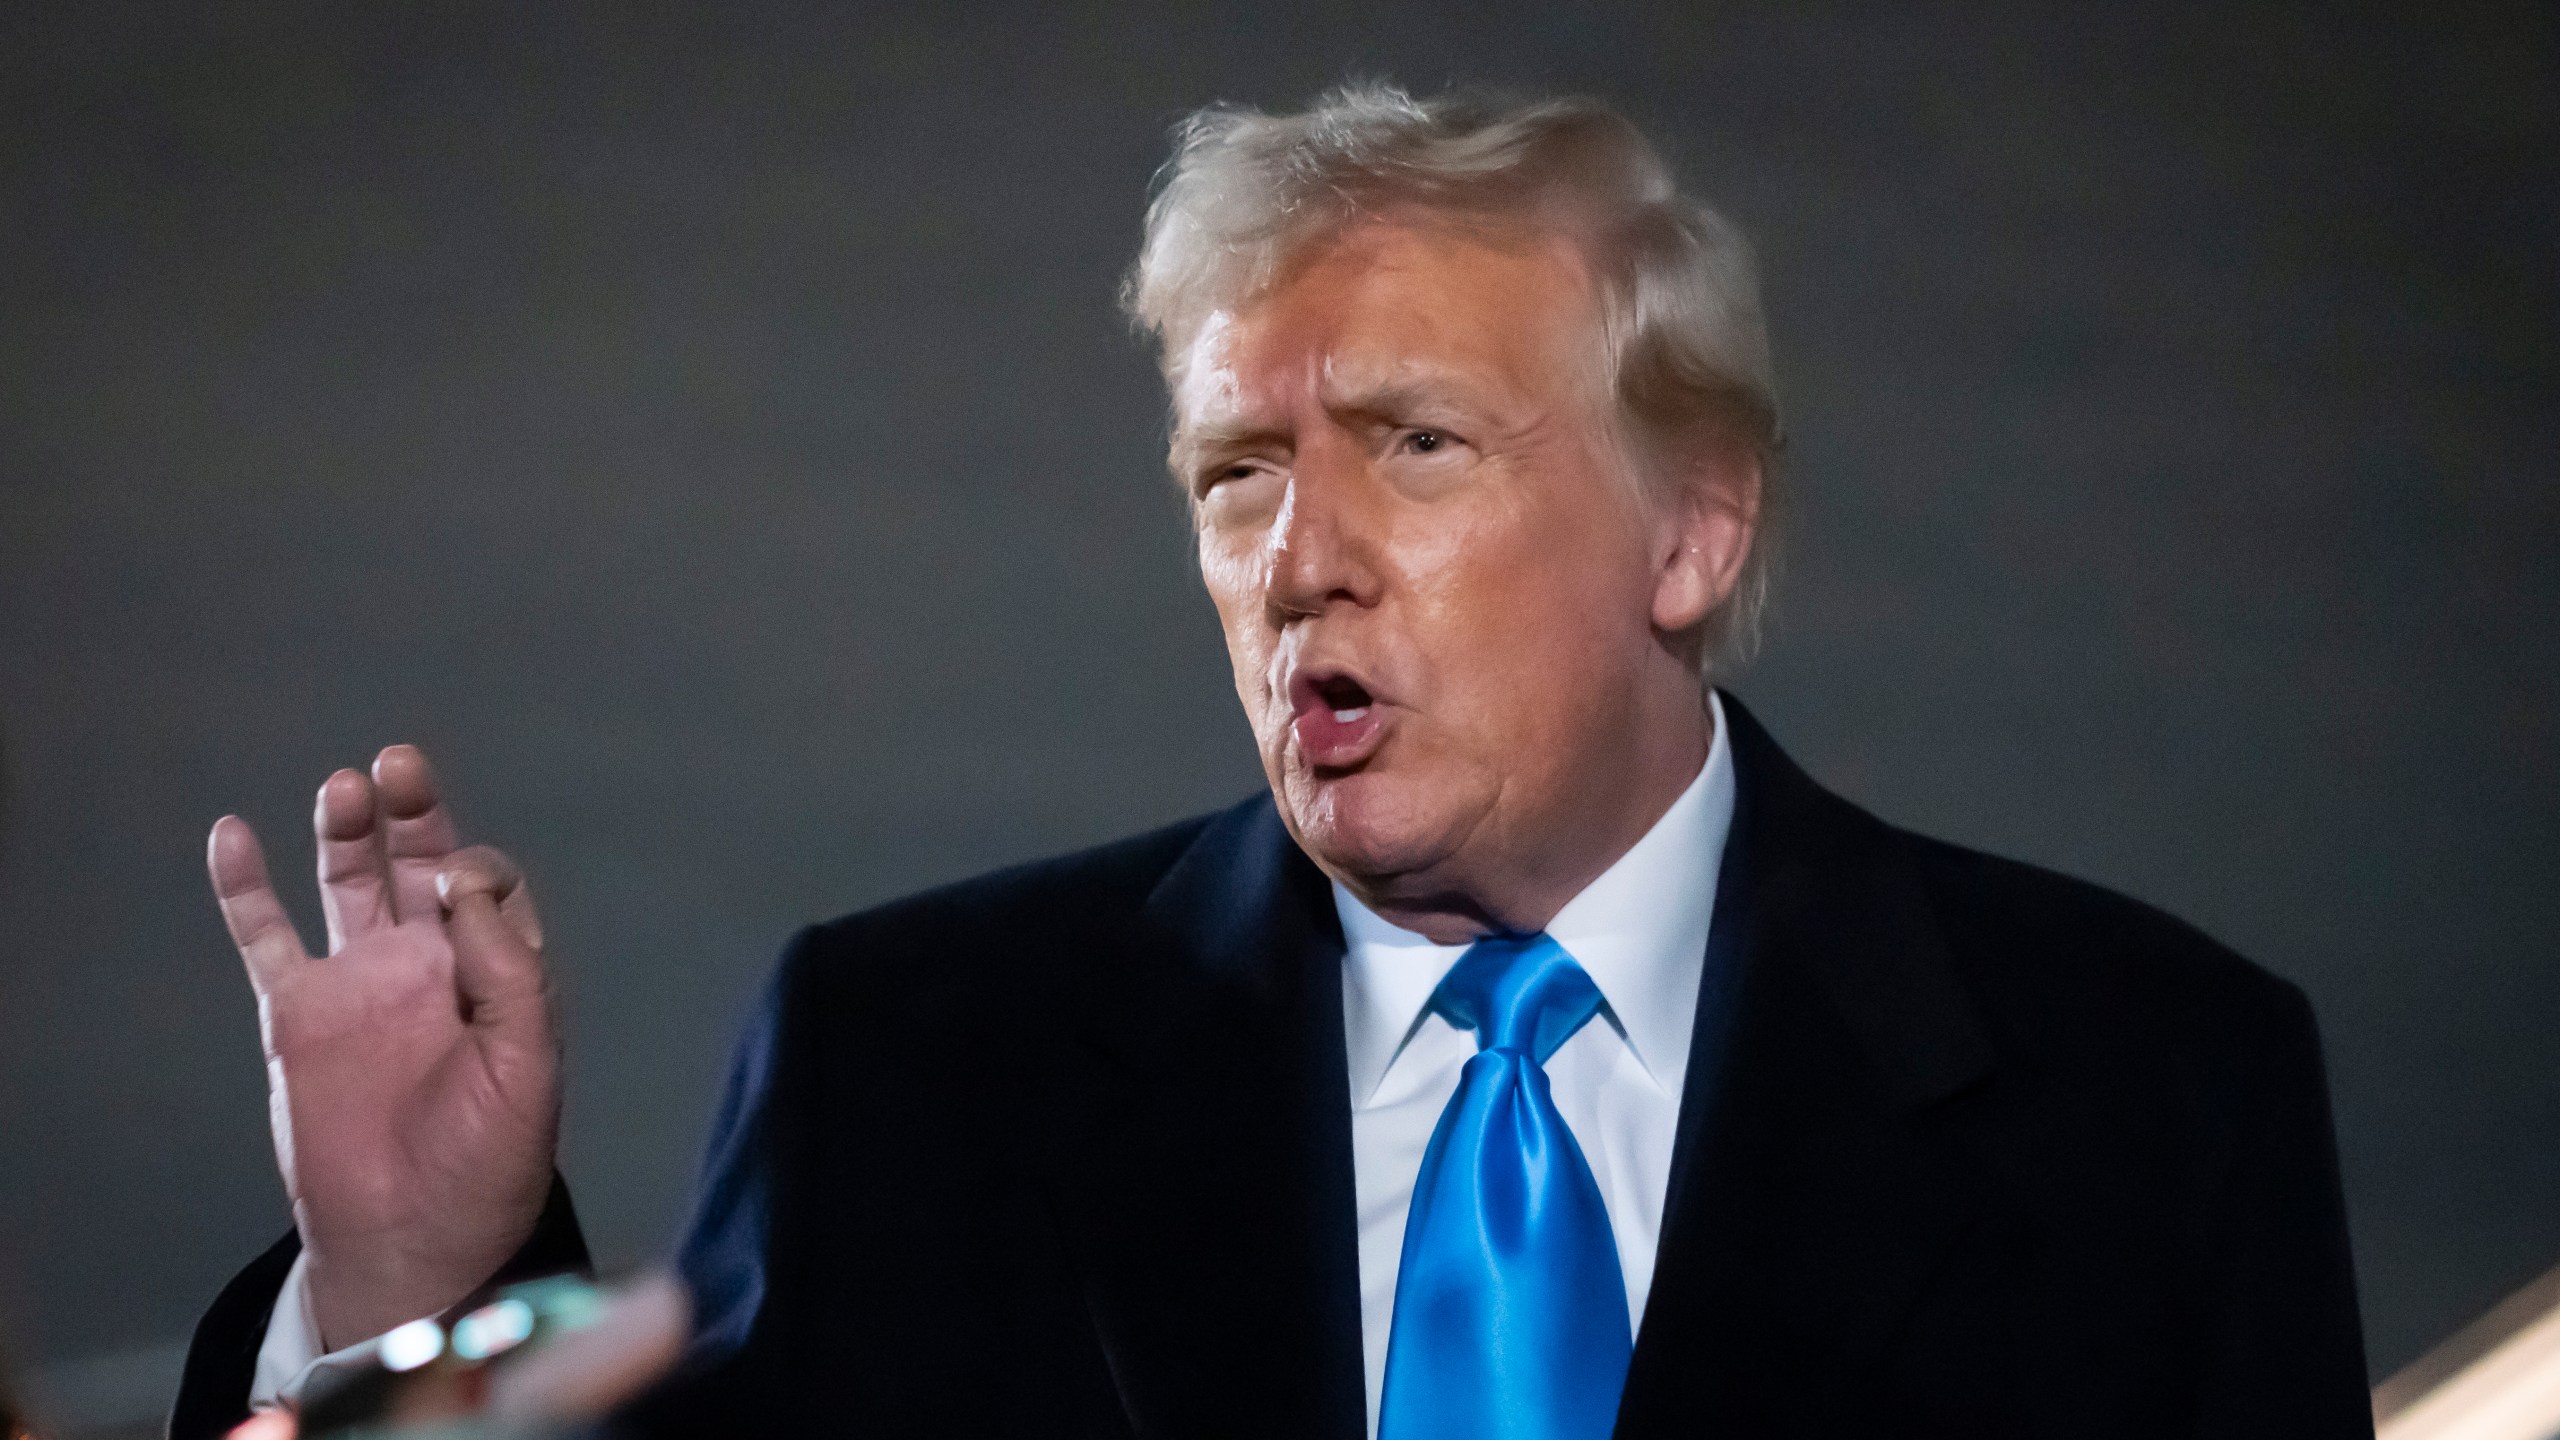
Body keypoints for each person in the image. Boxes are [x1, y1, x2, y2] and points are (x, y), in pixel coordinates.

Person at [172, 84, 2373, 1439]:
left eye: (1412, 445)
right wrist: (404, 1291)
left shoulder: (2150, 1090)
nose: (1296, 558)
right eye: (1233, 475)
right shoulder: (919, 1062)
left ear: (1689, 524)